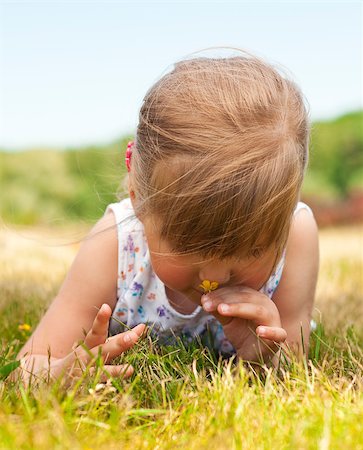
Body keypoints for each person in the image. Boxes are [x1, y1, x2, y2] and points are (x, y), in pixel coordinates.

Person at [17, 50, 319, 385]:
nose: (214, 277)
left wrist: (260, 359)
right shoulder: (116, 244)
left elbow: (294, 374)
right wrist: (56, 376)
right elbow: (25, 369)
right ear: (139, 201)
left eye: (250, 250)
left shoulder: (296, 231)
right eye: (188, 247)